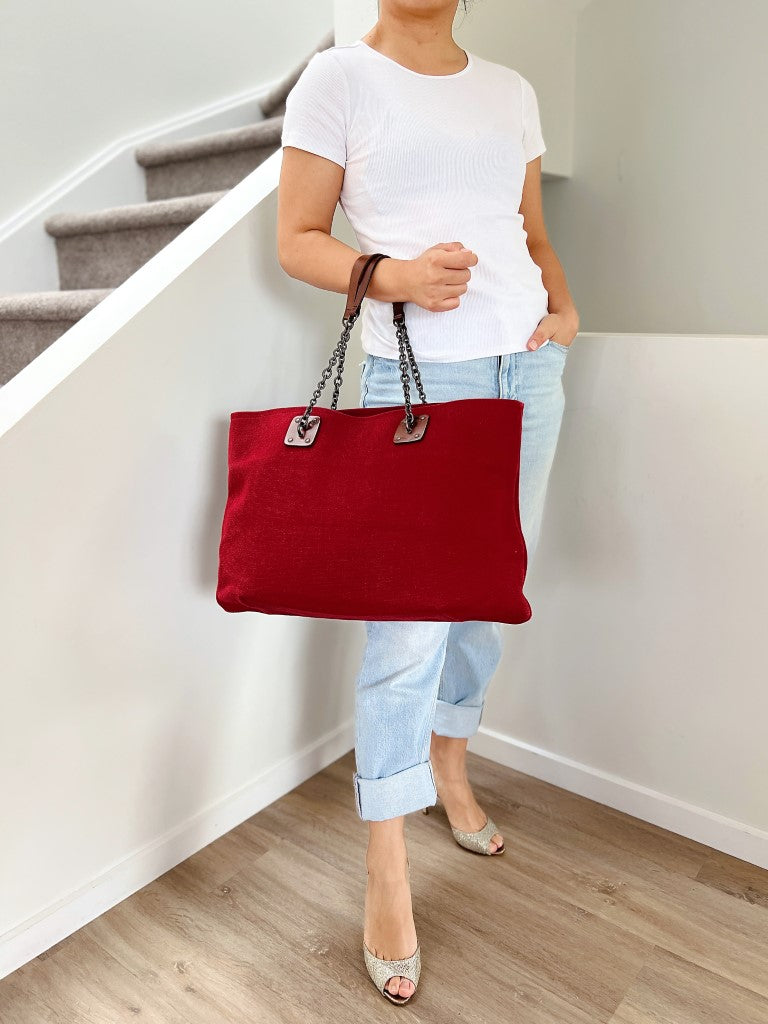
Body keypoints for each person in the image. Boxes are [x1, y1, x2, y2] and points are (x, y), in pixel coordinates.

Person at [277, 0, 579, 1006]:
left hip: (528, 371)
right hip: (422, 379)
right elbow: (297, 240)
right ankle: (386, 860)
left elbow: (532, 230)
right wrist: (395, 276)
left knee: (494, 591)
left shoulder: (511, 90)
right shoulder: (339, 80)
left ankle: (451, 761)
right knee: (409, 626)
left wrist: (564, 302)